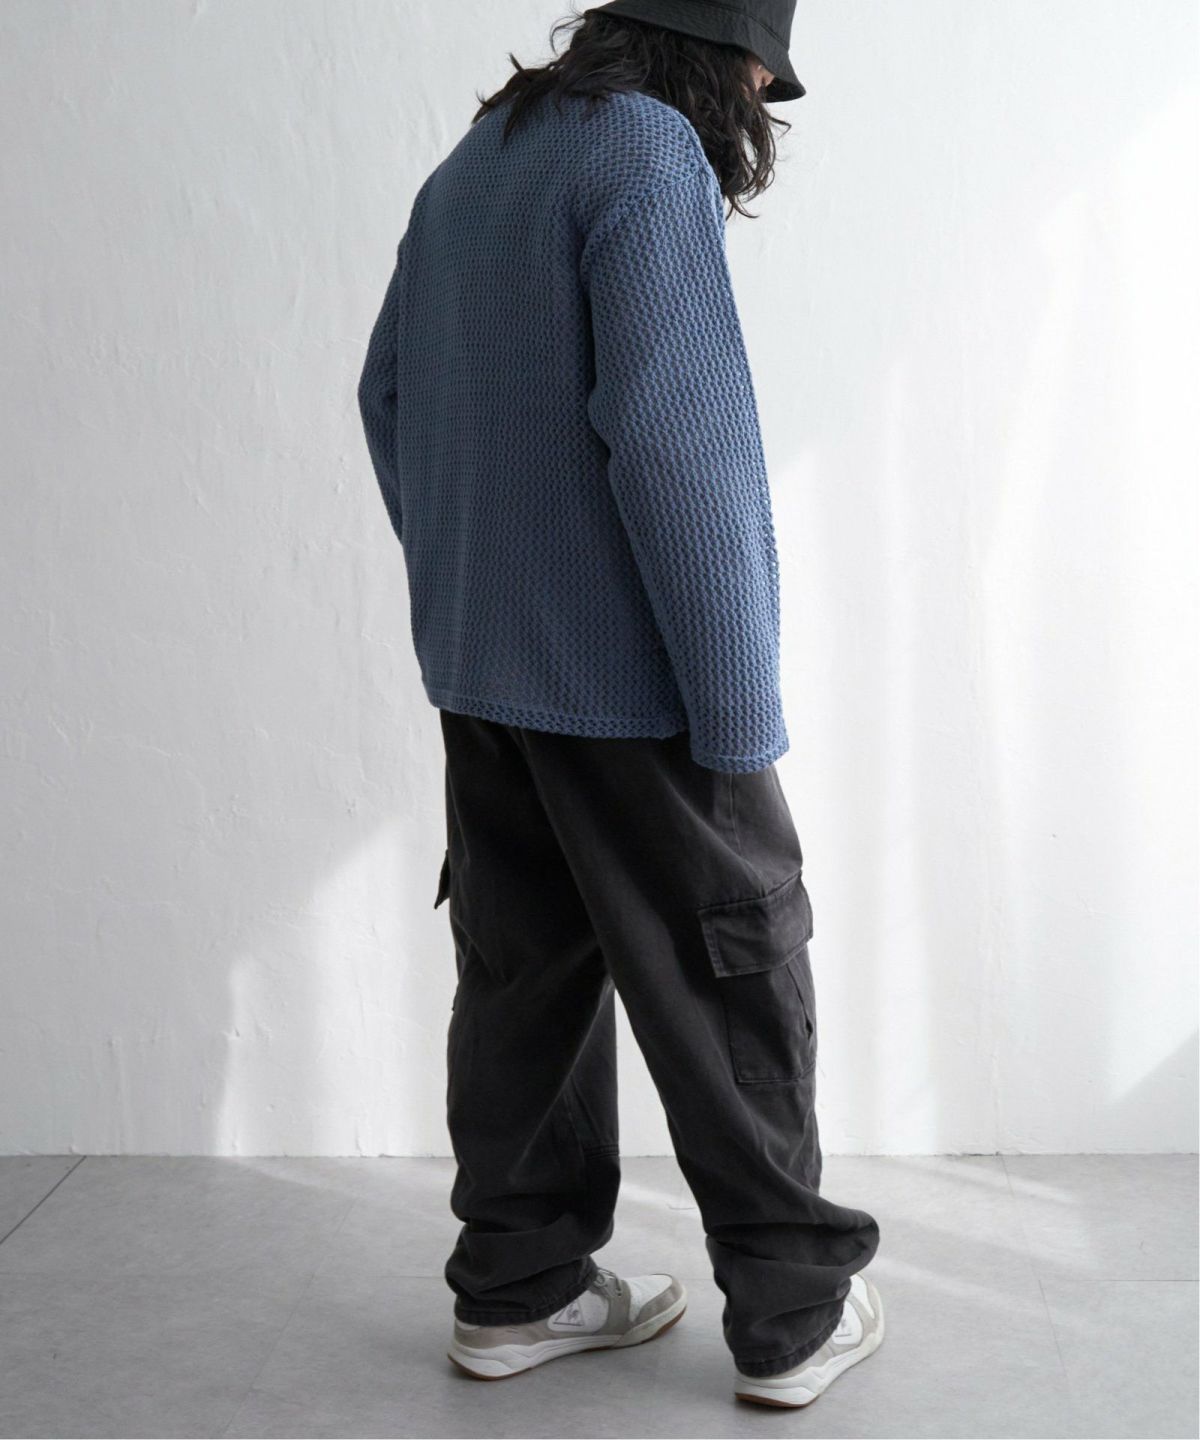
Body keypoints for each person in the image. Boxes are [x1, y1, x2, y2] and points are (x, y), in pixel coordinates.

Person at [357, 0, 883, 1410]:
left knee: (523, 975)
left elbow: (387, 392)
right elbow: (675, 438)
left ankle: (519, 1288)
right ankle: (794, 1310)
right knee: (736, 964)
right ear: (719, 53)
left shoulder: (476, 161)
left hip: (485, 672)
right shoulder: (647, 154)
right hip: (631, 679)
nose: (765, 94)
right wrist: (735, 704)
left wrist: (469, 589)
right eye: (764, 67)